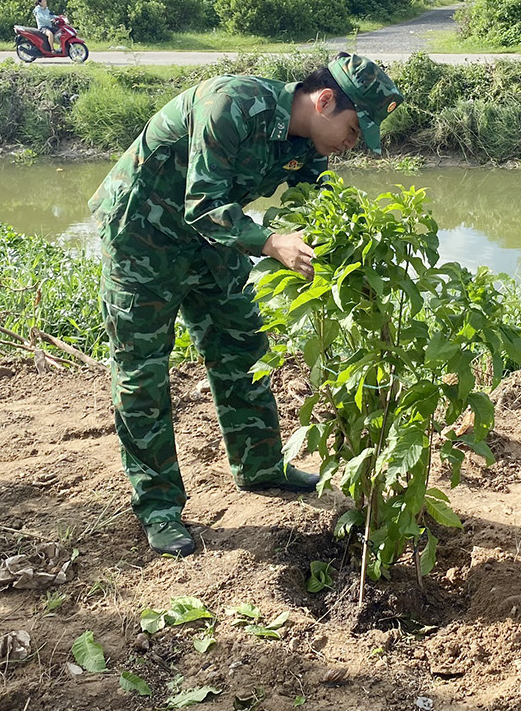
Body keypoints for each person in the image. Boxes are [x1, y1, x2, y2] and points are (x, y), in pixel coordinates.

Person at [89, 52, 404, 558]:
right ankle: (159, 509)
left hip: (214, 244)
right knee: (142, 372)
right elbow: (204, 204)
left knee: (243, 348)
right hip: (143, 237)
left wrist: (357, 244)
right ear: (324, 101)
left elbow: (319, 201)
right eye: (351, 129)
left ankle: (259, 467)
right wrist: (273, 243)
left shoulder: (307, 144)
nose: (351, 145)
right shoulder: (230, 104)